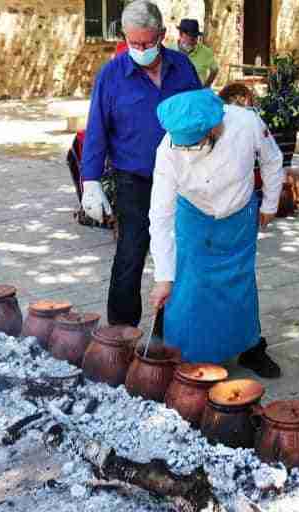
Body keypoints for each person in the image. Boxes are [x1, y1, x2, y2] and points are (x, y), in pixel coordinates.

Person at [79, 0, 202, 327]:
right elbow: (96, 130)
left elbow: (201, 115)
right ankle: (120, 335)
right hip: (134, 178)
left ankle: (169, 330)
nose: (141, 50)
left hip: (183, 176)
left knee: (179, 253)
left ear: (162, 34)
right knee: (131, 254)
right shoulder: (112, 75)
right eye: (134, 43)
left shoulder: (183, 68)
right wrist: (89, 182)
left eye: (148, 43)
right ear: (125, 36)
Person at [147, 89, 284, 378]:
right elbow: (160, 216)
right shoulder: (167, 149)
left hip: (239, 214)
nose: (188, 152)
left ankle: (249, 348)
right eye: (184, 146)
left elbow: (272, 160)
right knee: (190, 286)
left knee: (240, 283)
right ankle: (187, 358)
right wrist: (163, 278)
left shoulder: (246, 123)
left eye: (196, 144)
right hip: (194, 216)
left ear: (215, 127)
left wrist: (271, 203)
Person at [167, 19, 219, 88]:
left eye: (195, 37)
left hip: (196, 94)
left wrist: (206, 86)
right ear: (181, 34)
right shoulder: (169, 50)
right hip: (175, 94)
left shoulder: (205, 52)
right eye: (190, 37)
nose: (193, 41)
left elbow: (214, 69)